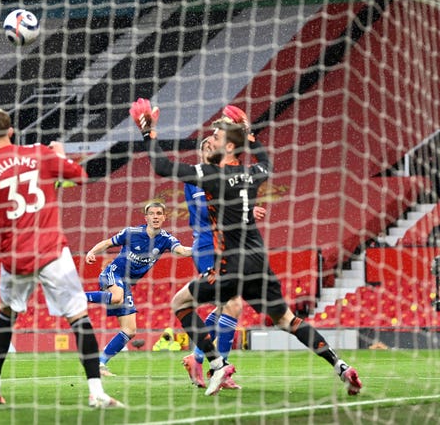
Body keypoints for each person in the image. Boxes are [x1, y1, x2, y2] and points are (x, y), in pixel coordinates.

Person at [130, 97, 362, 397]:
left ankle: (216, 364)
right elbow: (266, 163)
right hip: (260, 264)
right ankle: (341, 366)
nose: (210, 140)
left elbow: (162, 166)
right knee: (287, 320)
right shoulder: (253, 174)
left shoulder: (212, 176)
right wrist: (249, 134)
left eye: (216, 137)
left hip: (233, 266)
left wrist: (148, 134)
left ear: (228, 148)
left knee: (180, 303)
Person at [0, 108, 123, 408]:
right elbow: (80, 176)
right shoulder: (40, 154)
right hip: (51, 250)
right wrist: (61, 154)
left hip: (15, 258)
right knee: (79, 317)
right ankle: (96, 392)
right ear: (12, 131)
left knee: (7, 315)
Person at [182, 122, 266, 390]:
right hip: (207, 248)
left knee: (224, 307)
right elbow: (210, 212)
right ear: (201, 153)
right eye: (206, 146)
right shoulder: (196, 179)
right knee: (233, 305)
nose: (211, 147)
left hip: (223, 247)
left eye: (213, 144)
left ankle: (199, 360)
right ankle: (217, 367)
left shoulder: (221, 178)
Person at [84, 201, 192, 376]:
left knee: (130, 330)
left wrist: (204, 248)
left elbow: (182, 251)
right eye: (152, 213)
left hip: (125, 284)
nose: (155, 216)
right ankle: (78, 297)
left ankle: (100, 363)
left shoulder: (165, 239)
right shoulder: (131, 232)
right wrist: (91, 252)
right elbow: (107, 243)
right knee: (117, 296)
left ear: (164, 217)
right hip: (112, 274)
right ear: (146, 217)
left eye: (159, 213)